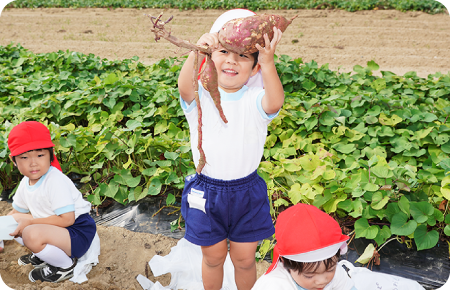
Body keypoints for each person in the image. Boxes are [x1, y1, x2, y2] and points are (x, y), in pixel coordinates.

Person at [177, 9, 285, 290]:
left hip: (246, 192)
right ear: (211, 57)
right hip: (206, 191)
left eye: (243, 56)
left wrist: (269, 62)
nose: (232, 60)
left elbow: (275, 102)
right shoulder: (200, 95)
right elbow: (184, 86)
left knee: (245, 258)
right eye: (224, 51)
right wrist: (197, 51)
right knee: (212, 257)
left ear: (254, 68)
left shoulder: (255, 99)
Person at [6, 121, 97, 283]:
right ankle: (46, 254)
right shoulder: (25, 183)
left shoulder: (55, 181)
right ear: (13, 160)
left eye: (40, 155)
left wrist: (30, 222)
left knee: (29, 232)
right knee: (14, 223)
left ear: (51, 154)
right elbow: (15, 213)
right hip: (58, 230)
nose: (33, 163)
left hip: (77, 232)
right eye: (24, 157)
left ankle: (65, 265)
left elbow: (67, 219)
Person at [252, 203, 357, 290]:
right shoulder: (274, 285)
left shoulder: (335, 272)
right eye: (309, 276)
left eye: (330, 270)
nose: (322, 281)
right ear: (285, 262)